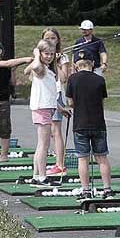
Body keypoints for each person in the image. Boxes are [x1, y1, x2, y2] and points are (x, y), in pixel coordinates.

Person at [67, 51, 114, 200]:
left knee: (83, 159)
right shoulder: (100, 79)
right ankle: (107, 189)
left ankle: (86, 190)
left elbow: (70, 102)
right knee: (102, 158)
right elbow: (101, 101)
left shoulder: (72, 79)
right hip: (98, 124)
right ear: (93, 64)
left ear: (76, 65)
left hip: (80, 124)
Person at [24, 39, 71, 186]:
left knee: (41, 144)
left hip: (47, 107)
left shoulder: (49, 70)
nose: (49, 56)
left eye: (51, 54)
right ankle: (42, 177)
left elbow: (50, 94)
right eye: (46, 53)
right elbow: (36, 65)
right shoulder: (41, 68)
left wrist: (60, 108)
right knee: (44, 145)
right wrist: (36, 53)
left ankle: (36, 175)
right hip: (42, 109)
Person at [41, 27, 72, 177]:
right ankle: (55, 162)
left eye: (53, 38)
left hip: (57, 93)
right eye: (47, 38)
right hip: (44, 94)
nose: (50, 40)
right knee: (49, 132)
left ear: (57, 40)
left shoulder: (62, 57)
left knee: (55, 130)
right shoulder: (43, 56)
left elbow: (64, 78)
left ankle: (60, 165)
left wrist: (58, 62)